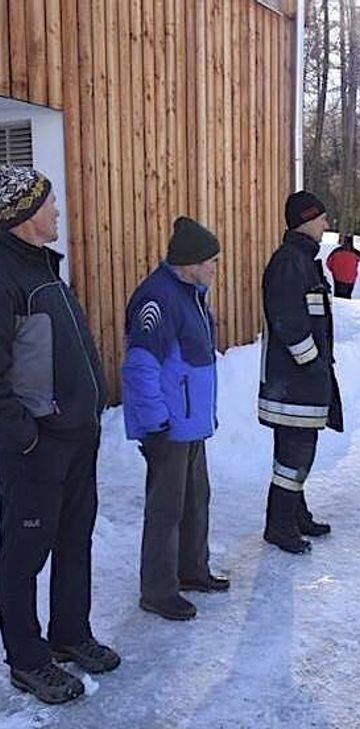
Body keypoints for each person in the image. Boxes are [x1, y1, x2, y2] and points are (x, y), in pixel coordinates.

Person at [0, 166, 118, 705]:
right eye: (48, 204)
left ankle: (70, 634)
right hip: (37, 449)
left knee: (75, 542)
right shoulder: (6, 278)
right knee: (23, 556)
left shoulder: (43, 268)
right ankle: (27, 659)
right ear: (23, 216)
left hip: (77, 438)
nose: (57, 211)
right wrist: (26, 438)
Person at [122, 216, 229, 622]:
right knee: (166, 510)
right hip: (168, 427)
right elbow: (140, 365)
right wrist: (157, 421)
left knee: (195, 499)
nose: (217, 267)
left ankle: (191, 570)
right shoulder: (158, 298)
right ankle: (158, 590)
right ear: (191, 262)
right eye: (212, 261)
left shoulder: (191, 294)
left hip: (189, 425)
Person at [259, 191, 342, 554]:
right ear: (307, 220)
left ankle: (296, 514)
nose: (326, 224)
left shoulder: (303, 260)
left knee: (297, 455)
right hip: (293, 387)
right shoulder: (290, 262)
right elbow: (288, 321)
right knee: (293, 458)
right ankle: (279, 526)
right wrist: (312, 364)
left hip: (298, 385)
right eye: (322, 217)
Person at [326, 234, 360, 298]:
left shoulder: (336, 251)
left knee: (337, 295)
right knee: (347, 296)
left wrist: (333, 270)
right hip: (350, 279)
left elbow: (328, 262)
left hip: (337, 277)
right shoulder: (355, 253)